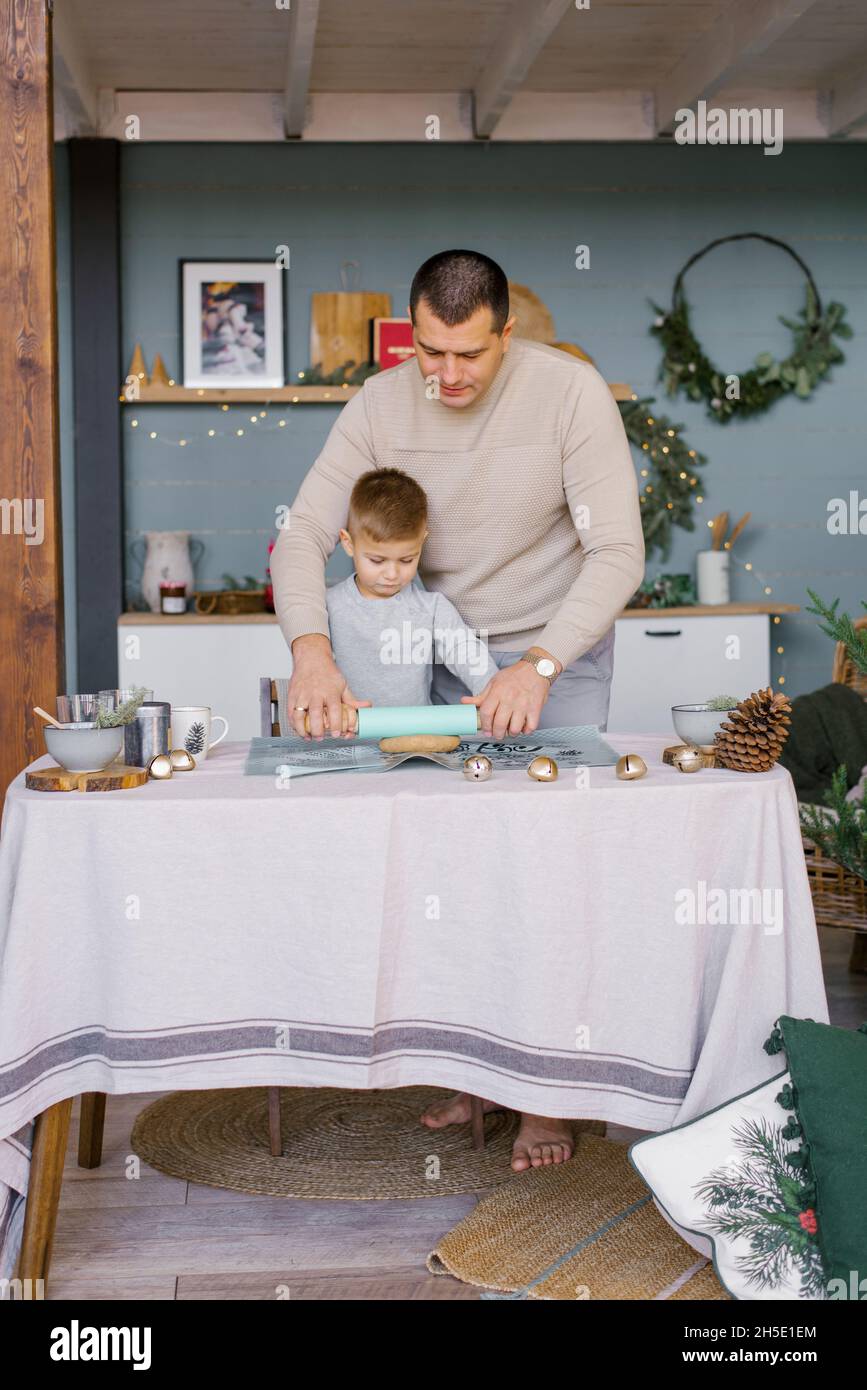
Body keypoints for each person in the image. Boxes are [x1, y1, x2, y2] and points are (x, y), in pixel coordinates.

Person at [270, 248, 645, 1171]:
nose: (444, 375)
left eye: (466, 355)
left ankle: (546, 1102)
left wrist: (541, 664)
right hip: (441, 658)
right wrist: (309, 650)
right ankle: (479, 1069)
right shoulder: (378, 404)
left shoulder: (569, 395)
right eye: (428, 351)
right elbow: (303, 534)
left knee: (548, 877)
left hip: (555, 656)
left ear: (506, 334)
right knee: (465, 883)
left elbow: (617, 555)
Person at [325, 465, 498, 710]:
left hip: (414, 737)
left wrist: (491, 689)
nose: (392, 574)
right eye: (377, 560)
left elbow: (465, 651)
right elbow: (317, 669)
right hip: (347, 737)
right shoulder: (329, 606)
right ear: (348, 543)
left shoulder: (432, 608)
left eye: (406, 560)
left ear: (422, 542)